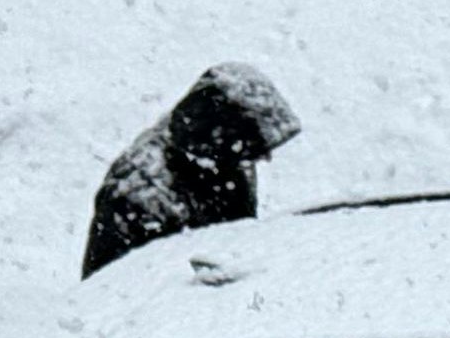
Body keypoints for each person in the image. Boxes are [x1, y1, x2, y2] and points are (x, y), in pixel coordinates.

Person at [80, 64, 298, 279]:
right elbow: (108, 291)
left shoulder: (224, 155)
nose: (265, 157)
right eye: (254, 146)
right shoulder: (140, 193)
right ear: (221, 133)